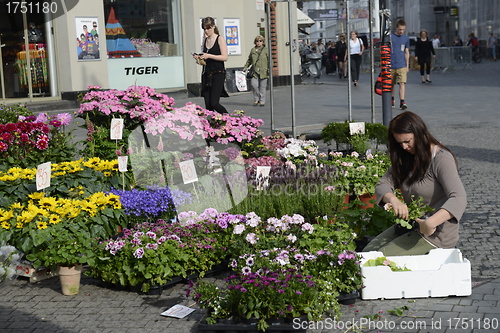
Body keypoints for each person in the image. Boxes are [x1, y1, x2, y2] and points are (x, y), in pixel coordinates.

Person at [363, 111, 467, 256]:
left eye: (407, 141)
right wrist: (394, 200)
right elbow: (383, 184)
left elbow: (459, 198)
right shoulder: (405, 157)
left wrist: (431, 223)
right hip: (411, 225)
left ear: (419, 134)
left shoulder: (441, 158)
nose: (404, 147)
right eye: (400, 143)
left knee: (380, 259)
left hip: (436, 235)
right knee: (368, 253)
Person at [193, 17, 229, 114]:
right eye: (204, 29)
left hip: (218, 73)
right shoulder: (205, 39)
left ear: (213, 26)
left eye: (208, 28)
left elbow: (224, 57)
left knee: (214, 103)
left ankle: (229, 120)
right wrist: (199, 57)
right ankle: (211, 127)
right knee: (208, 105)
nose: (206, 31)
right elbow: (205, 56)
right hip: (206, 73)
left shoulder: (219, 39)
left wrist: (209, 56)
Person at [243, 35, 269, 107]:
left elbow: (270, 60)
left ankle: (262, 101)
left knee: (262, 87)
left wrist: (269, 69)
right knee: (254, 85)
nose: (259, 42)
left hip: (264, 71)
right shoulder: (253, 50)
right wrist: (245, 67)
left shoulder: (266, 50)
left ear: (263, 42)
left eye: (260, 41)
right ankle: (256, 99)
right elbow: (249, 60)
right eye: (257, 41)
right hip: (255, 71)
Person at [390, 20, 410, 110]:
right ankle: (392, 99)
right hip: (391, 65)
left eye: (403, 30)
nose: (401, 31)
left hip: (401, 64)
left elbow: (406, 52)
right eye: (400, 29)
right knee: (391, 84)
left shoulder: (405, 39)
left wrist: (407, 65)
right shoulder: (390, 37)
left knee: (402, 83)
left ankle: (402, 101)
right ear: (396, 28)